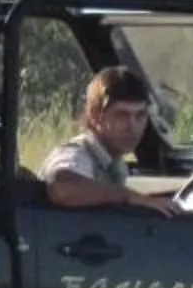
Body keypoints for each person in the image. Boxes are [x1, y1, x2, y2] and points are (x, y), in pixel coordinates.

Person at [41, 65, 175, 213]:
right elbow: (63, 189)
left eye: (140, 115)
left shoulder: (114, 163)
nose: (133, 126)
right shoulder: (78, 154)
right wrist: (128, 196)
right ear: (95, 116)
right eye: (121, 115)